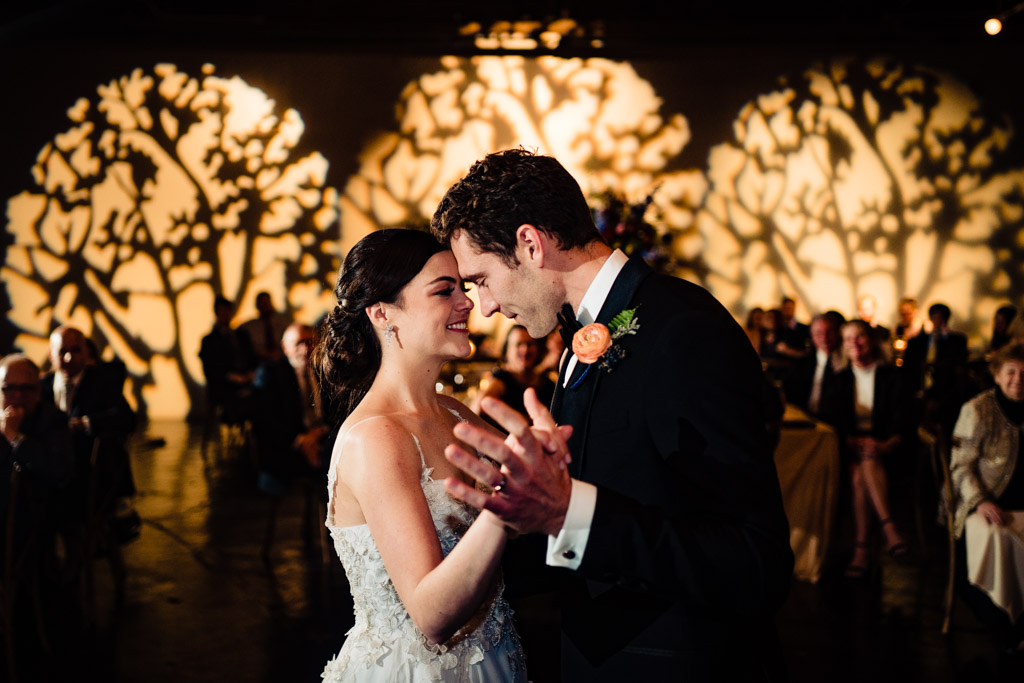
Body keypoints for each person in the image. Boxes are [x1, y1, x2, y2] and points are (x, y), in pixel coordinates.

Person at [430, 148, 793, 681]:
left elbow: (755, 562)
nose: (481, 306)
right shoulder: (580, 335)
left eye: (480, 279)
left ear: (530, 244)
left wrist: (565, 513)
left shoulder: (682, 332)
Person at [313, 229, 527, 682]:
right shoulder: (376, 439)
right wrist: (503, 508)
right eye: (444, 290)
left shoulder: (452, 411)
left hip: (493, 656)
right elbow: (431, 616)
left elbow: (535, 491)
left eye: (463, 288)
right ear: (383, 314)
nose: (467, 302)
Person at [948, 340, 1024, 654]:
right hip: (981, 503)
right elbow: (960, 466)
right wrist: (980, 501)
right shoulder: (977, 409)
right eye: (1011, 372)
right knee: (998, 538)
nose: (1018, 380)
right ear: (997, 374)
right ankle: (1006, 626)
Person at [821, 319, 911, 578]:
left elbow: (902, 420)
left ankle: (861, 549)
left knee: (862, 472)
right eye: (848, 339)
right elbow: (832, 422)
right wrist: (850, 441)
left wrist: (885, 444)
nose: (854, 344)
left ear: (870, 340)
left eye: (859, 337)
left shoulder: (892, 377)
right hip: (849, 448)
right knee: (860, 468)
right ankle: (889, 530)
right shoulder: (838, 380)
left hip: (888, 450)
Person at [472, 325, 556, 432]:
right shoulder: (502, 378)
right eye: (518, 344)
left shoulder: (548, 383)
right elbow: (479, 406)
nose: (525, 349)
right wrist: (525, 421)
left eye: (530, 344)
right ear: (507, 350)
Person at [903, 302, 969, 439]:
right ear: (931, 319)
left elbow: (959, 364)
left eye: (941, 318)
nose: (938, 321)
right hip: (919, 391)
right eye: (935, 317)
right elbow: (907, 368)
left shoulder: (957, 340)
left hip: (945, 393)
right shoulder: (916, 341)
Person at [199, 296, 257, 427]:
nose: (225, 314)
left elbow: (251, 357)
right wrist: (231, 377)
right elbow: (210, 368)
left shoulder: (241, 335)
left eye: (227, 311)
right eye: (222, 311)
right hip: (224, 385)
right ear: (217, 313)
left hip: (246, 381)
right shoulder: (209, 340)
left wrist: (251, 373)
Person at [783, 313, 840, 417]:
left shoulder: (849, 364)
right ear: (812, 337)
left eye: (829, 332)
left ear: (838, 333)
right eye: (819, 334)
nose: (824, 338)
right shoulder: (801, 364)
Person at [240, 291, 289, 363]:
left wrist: (279, 353)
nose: (264, 306)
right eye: (262, 303)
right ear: (257, 306)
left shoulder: (283, 324)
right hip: (258, 363)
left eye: (266, 303)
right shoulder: (249, 327)